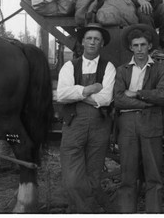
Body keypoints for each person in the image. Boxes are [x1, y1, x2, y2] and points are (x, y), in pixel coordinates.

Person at [56, 23, 116, 213]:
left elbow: (106, 99)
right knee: (72, 179)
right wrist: (87, 90)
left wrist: (78, 94)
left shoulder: (109, 67)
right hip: (74, 125)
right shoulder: (69, 66)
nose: (92, 42)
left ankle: (81, 212)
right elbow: (62, 95)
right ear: (82, 41)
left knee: (93, 177)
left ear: (102, 44)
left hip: (99, 126)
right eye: (89, 38)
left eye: (96, 39)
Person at [113, 24, 164, 213]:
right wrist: (147, 103)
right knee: (127, 177)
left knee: (154, 176)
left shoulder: (159, 68)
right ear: (130, 47)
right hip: (128, 126)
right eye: (135, 45)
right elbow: (119, 99)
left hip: (151, 125)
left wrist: (137, 94)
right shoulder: (122, 70)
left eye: (143, 45)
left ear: (149, 46)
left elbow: (162, 95)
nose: (139, 49)